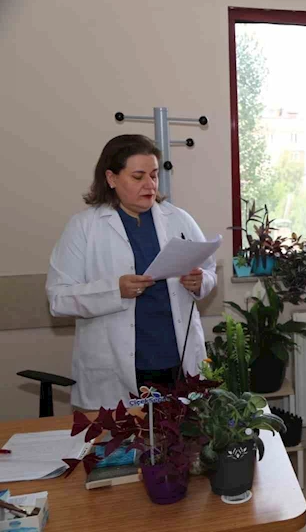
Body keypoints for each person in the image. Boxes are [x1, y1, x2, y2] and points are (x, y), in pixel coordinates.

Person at [46, 134, 217, 410]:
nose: (150, 184)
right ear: (111, 178)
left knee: (181, 433)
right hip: (116, 365)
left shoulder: (178, 219)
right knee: (126, 436)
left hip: (177, 360)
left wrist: (200, 281)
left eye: (154, 175)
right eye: (138, 177)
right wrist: (116, 291)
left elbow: (208, 270)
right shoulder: (84, 227)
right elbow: (58, 299)